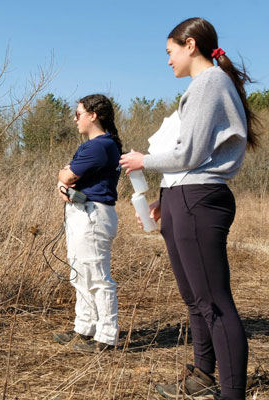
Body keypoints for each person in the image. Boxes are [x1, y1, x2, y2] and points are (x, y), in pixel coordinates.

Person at [120, 18, 259, 400]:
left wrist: (143, 160)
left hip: (199, 200)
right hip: (184, 197)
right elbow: (192, 159)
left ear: (191, 45)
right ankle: (202, 375)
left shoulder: (211, 82)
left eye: (170, 52)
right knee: (195, 298)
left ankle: (231, 393)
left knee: (213, 301)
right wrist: (164, 200)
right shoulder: (204, 86)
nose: (168, 61)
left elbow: (190, 153)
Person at [52, 94, 122, 353]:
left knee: (96, 276)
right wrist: (65, 178)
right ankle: (85, 328)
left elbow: (67, 175)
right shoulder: (99, 145)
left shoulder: (98, 146)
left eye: (78, 113)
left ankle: (105, 337)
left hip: (92, 215)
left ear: (93, 115)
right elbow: (68, 177)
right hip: (83, 212)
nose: (74, 119)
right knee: (80, 274)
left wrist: (63, 177)